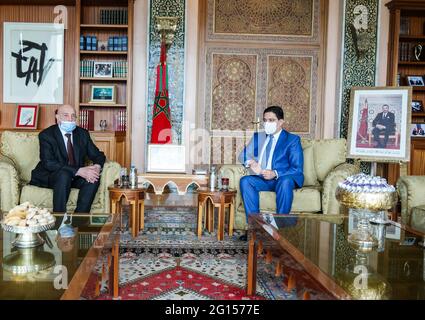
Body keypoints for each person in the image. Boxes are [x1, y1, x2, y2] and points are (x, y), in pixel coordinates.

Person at [238, 106, 304, 241]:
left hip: (282, 179)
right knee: (245, 181)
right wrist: (251, 162)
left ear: (280, 122)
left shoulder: (292, 140)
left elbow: (297, 168)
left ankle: (280, 229)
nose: (267, 123)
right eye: (265, 120)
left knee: (285, 182)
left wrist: (275, 173)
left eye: (271, 120)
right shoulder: (258, 137)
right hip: (262, 179)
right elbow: (242, 155)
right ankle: (254, 228)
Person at [30, 104, 106, 213]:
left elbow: (98, 155)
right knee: (64, 175)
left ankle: (79, 219)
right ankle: (59, 220)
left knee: (93, 177)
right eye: (66, 115)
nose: (70, 119)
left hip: (74, 176)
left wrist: (97, 167)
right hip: (51, 175)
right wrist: (79, 171)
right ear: (57, 117)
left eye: (73, 116)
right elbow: (48, 163)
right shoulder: (46, 135)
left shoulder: (82, 134)